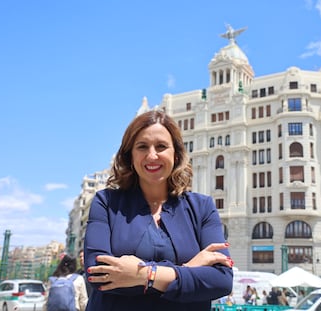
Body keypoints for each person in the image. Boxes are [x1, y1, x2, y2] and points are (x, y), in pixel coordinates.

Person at [84, 110, 233, 311]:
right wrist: (187, 270)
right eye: (142, 147)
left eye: (161, 146)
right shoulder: (106, 203)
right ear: (130, 155)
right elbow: (98, 275)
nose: (152, 155)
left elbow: (221, 281)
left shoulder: (202, 207)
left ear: (176, 153)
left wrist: (145, 275)